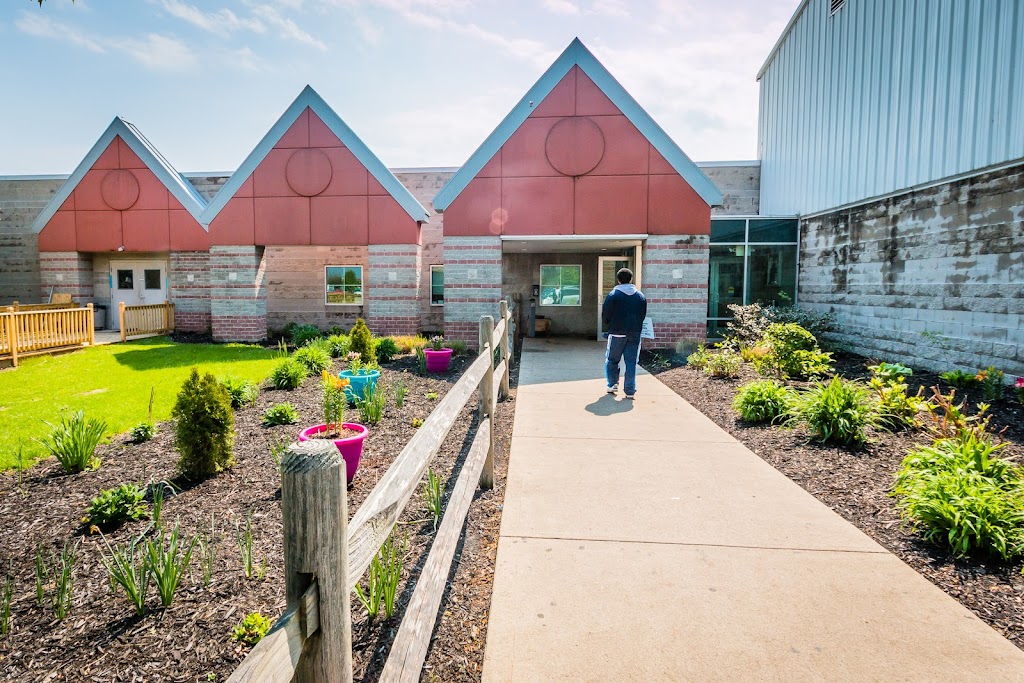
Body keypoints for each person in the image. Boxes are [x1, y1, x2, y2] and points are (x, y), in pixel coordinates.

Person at [601, 267, 646, 399]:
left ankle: (613, 384)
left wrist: (609, 325)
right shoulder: (640, 296)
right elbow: (642, 315)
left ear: (618, 280)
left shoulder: (613, 295)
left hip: (616, 333)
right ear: (631, 279)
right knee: (631, 362)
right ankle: (630, 391)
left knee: (612, 359)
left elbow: (606, 315)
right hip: (635, 333)